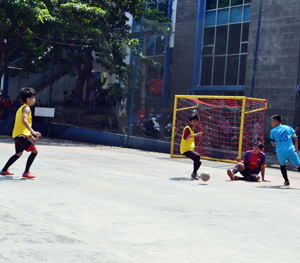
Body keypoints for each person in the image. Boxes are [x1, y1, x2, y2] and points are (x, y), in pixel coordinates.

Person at [0, 87, 41, 179]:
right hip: (21, 136)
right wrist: (33, 132)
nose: (34, 100)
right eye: (33, 97)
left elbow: (22, 126)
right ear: (28, 99)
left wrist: (30, 136)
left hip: (17, 135)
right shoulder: (26, 108)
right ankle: (26, 172)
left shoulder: (21, 108)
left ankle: (4, 170)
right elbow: (24, 121)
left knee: (18, 154)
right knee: (35, 151)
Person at [270, 115, 300, 186]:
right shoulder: (289, 128)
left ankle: (286, 181)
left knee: (282, 165)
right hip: (291, 150)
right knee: (298, 166)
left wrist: (278, 143)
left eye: (272, 122)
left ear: (276, 121)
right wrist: (296, 149)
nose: (271, 124)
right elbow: (295, 139)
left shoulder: (273, 131)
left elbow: (273, 143)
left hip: (281, 151)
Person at [180, 114, 203, 180]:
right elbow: (186, 137)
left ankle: (194, 173)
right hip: (185, 149)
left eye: (196, 121)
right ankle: (194, 174)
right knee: (197, 157)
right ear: (190, 121)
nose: (195, 123)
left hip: (189, 149)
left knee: (198, 162)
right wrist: (196, 135)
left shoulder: (192, 129)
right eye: (194, 121)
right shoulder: (187, 128)